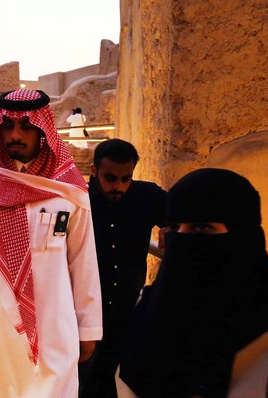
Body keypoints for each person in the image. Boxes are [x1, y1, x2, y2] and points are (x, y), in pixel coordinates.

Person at [117, 168, 268, 397]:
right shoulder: (142, 310)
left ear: (243, 238)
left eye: (202, 227)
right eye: (173, 227)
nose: (181, 240)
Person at [0, 88, 102, 397]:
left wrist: (88, 328)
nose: (15, 135)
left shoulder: (68, 190)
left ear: (43, 130)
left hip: (54, 317)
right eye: (7, 126)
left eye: (26, 126)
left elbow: (82, 260)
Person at [79, 139, 166, 398]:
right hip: (86, 314)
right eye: (110, 178)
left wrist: (171, 225)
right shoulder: (78, 202)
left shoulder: (147, 196)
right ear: (94, 171)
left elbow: (186, 207)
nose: (119, 187)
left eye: (126, 179)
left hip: (128, 312)